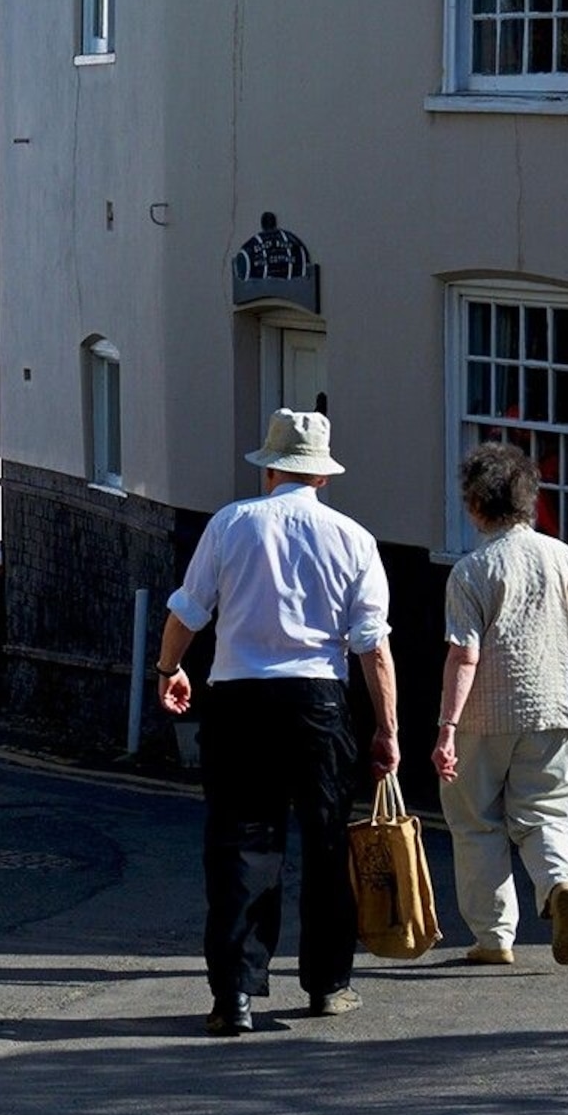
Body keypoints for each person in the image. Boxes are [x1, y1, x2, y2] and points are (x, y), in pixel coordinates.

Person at [155, 408, 399, 1036]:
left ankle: (234, 996)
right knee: (325, 846)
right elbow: (372, 645)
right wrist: (386, 730)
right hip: (319, 704)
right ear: (321, 476)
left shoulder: (231, 524)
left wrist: (168, 670)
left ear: (269, 469)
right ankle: (327, 986)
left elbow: (188, 611)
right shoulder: (354, 539)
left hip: (238, 702)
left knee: (241, 846)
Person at [432, 439, 568, 968]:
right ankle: (557, 883)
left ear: (476, 504)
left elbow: (464, 655)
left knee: (476, 822)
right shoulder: (564, 558)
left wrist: (446, 728)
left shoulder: (470, 571)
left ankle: (493, 938)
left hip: (484, 716)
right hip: (555, 708)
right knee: (546, 813)